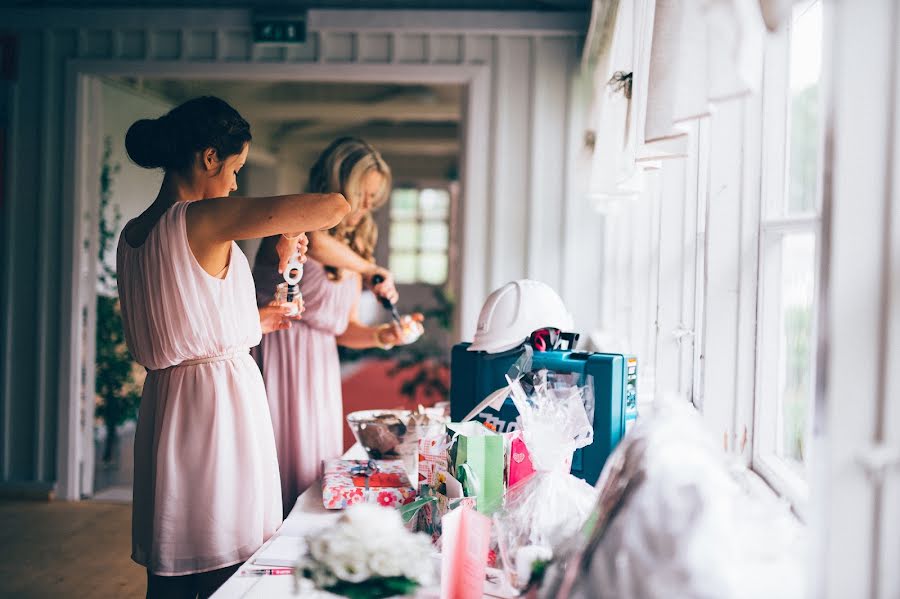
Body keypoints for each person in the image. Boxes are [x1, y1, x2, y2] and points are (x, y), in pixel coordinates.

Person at [117, 96, 350, 598]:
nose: (236, 183)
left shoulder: (132, 234)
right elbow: (335, 207)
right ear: (208, 158)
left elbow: (184, 327)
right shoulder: (203, 218)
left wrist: (259, 317)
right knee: (226, 548)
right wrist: (286, 223)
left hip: (168, 402)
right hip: (218, 407)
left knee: (178, 548)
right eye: (236, 167)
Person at [252, 137, 424, 513]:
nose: (366, 206)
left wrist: (383, 335)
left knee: (311, 473)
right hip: (276, 356)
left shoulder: (356, 245)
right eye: (361, 193)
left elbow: (344, 328)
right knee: (271, 468)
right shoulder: (293, 224)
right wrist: (371, 270)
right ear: (338, 184)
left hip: (319, 369)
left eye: (374, 198)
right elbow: (313, 240)